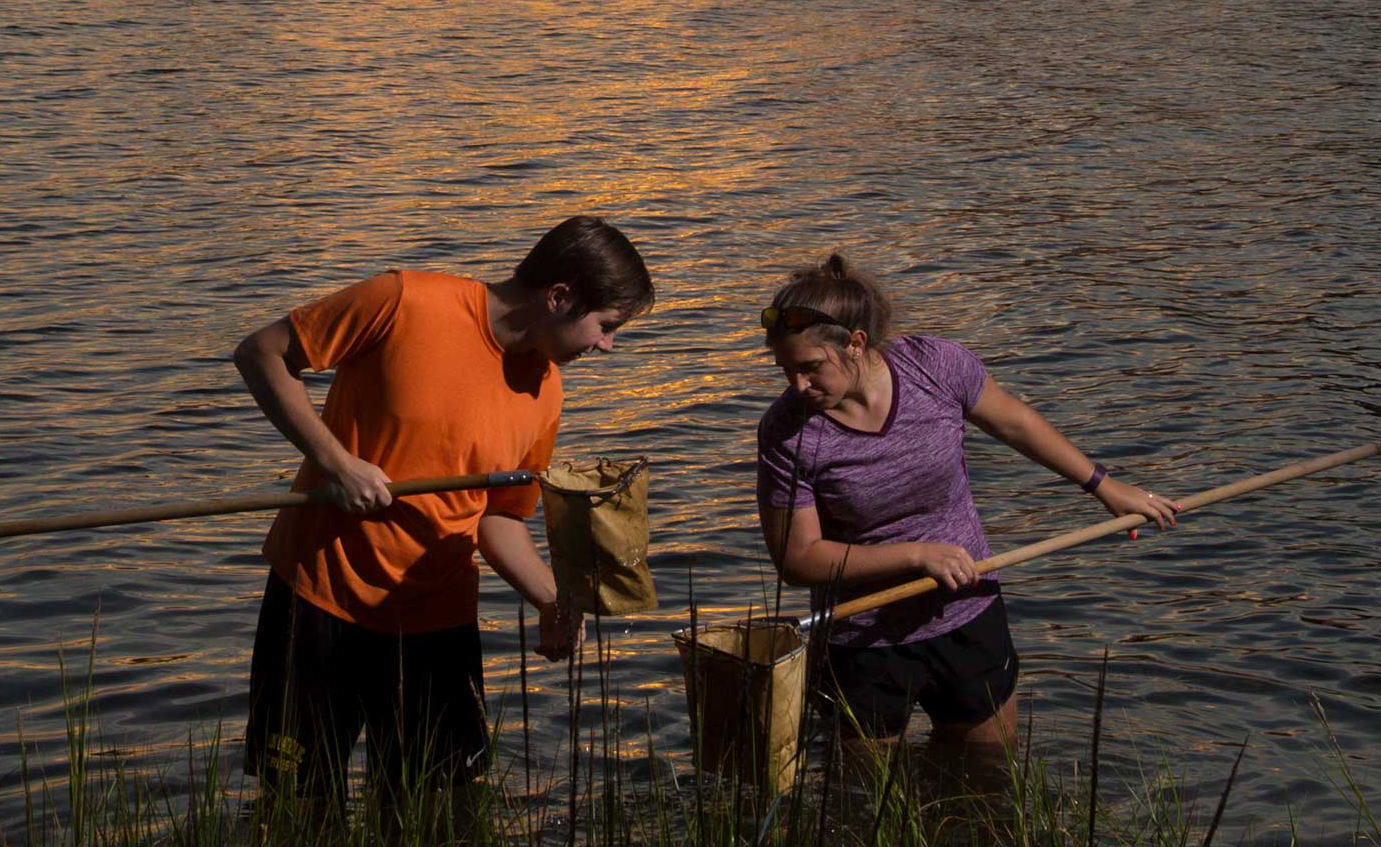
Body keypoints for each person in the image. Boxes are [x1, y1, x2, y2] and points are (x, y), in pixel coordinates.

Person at [235, 215, 654, 810]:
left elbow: (498, 517)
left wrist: (552, 598)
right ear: (559, 296)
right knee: (298, 812)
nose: (607, 345)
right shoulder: (404, 300)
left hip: (436, 622)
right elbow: (261, 354)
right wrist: (336, 462)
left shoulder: (547, 390)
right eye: (606, 326)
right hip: (320, 600)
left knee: (435, 825)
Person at [756, 254, 1177, 749]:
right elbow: (798, 559)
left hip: (967, 614)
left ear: (856, 343)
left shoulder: (933, 366)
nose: (796, 386)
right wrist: (917, 556)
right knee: (862, 804)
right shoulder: (786, 432)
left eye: (809, 368)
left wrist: (1105, 486)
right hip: (863, 640)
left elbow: (1016, 424)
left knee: (990, 781)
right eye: (785, 369)